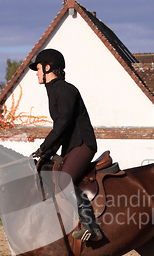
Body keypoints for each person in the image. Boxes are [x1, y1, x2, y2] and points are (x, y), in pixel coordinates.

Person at [29, 48, 103, 242]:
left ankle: (91, 226)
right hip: (72, 145)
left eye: (37, 69)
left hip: (82, 143)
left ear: (47, 68)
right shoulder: (54, 90)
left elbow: (63, 123)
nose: (36, 74)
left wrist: (44, 148)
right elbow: (61, 128)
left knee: (63, 181)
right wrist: (46, 153)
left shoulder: (63, 89)